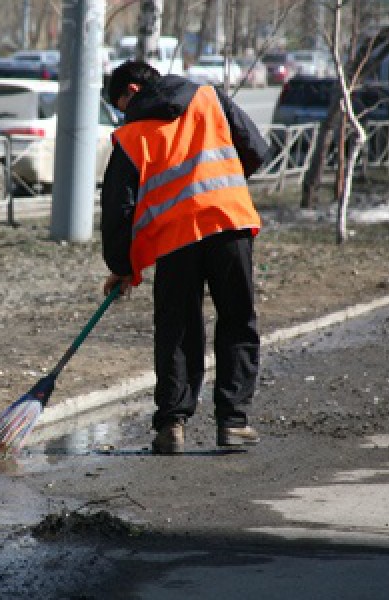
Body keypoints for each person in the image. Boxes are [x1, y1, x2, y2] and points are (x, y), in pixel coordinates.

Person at [100, 60, 270, 454]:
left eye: (120, 103)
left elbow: (117, 210)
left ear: (133, 91)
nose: (121, 112)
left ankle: (172, 425)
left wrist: (123, 267)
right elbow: (258, 151)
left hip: (174, 239)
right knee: (237, 320)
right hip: (229, 223)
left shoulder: (130, 136)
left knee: (177, 328)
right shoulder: (209, 97)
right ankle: (233, 422)